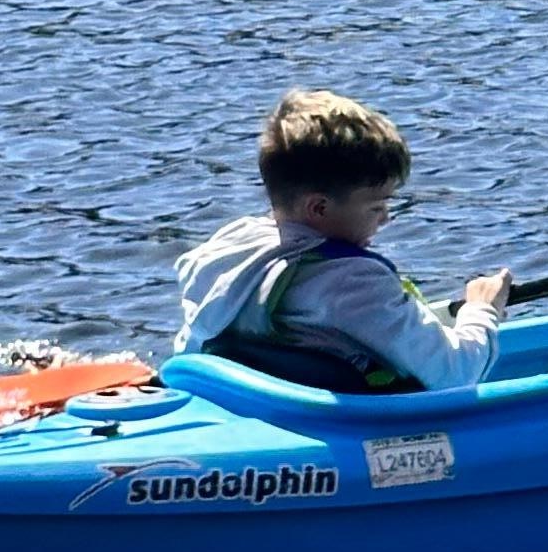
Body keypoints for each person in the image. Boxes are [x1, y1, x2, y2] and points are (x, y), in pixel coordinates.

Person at [172, 91, 511, 396]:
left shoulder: (228, 251)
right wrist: (481, 310)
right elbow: (456, 375)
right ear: (319, 208)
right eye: (376, 206)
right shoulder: (354, 282)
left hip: (252, 404)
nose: (385, 218)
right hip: (353, 427)